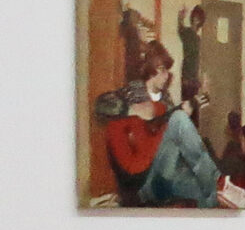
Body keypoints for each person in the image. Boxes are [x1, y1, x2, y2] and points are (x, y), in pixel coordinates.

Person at [93, 44, 231, 206]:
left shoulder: (166, 100)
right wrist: (132, 109)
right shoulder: (131, 92)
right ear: (151, 69)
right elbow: (100, 104)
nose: (167, 75)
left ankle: (217, 203)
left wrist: (190, 109)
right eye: (163, 69)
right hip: (144, 180)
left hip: (167, 170)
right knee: (179, 118)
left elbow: (175, 139)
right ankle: (216, 180)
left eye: (167, 70)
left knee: (207, 193)